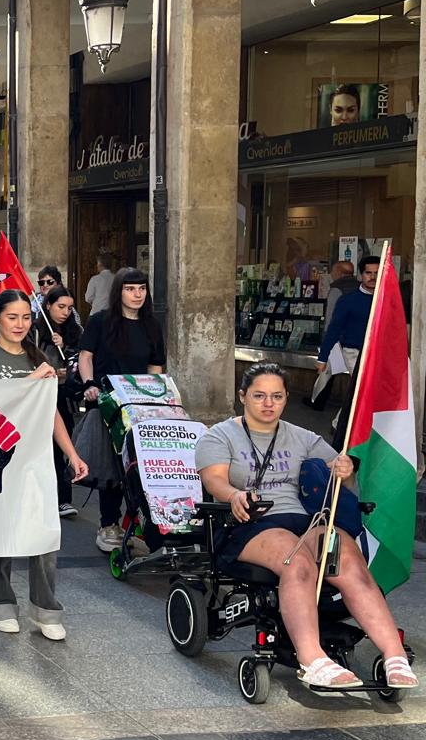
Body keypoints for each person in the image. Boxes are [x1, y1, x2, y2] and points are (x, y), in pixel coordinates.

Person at [196, 362, 414, 690]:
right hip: (251, 522)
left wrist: (344, 470)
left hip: (306, 520)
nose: (268, 403)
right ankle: (312, 659)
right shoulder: (219, 436)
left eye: (277, 396)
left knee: (348, 559)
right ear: (243, 397)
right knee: (296, 561)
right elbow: (214, 482)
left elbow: (341, 477)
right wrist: (235, 495)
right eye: (259, 396)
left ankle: (393, 654)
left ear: (285, 399)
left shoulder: (303, 437)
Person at [0, 290, 90, 642]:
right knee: (0, 533)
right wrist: (31, 381)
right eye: (12, 317)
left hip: (35, 456)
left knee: (45, 533)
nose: (20, 324)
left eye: (25, 317)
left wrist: (71, 453)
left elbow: (48, 410)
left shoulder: (38, 354)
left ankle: (46, 607)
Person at [78, 267, 166, 552]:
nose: (137, 294)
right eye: (130, 289)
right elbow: (86, 356)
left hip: (142, 405)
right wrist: (89, 384)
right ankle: (108, 523)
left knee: (141, 465)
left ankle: (144, 520)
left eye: (141, 288)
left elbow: (155, 366)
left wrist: (157, 395)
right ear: (119, 292)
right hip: (108, 402)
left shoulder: (152, 326)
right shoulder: (101, 321)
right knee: (111, 463)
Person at [34, 284, 84, 518]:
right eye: (60, 307)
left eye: (69, 308)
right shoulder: (36, 330)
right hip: (40, 394)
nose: (65, 312)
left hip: (63, 395)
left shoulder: (75, 331)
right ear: (48, 306)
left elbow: (81, 359)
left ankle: (63, 497)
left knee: (61, 446)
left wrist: (66, 349)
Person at [84, 250, 118, 317]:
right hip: (112, 314)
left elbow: (88, 298)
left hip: (96, 313)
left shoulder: (95, 279)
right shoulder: (117, 278)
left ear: (100, 265)